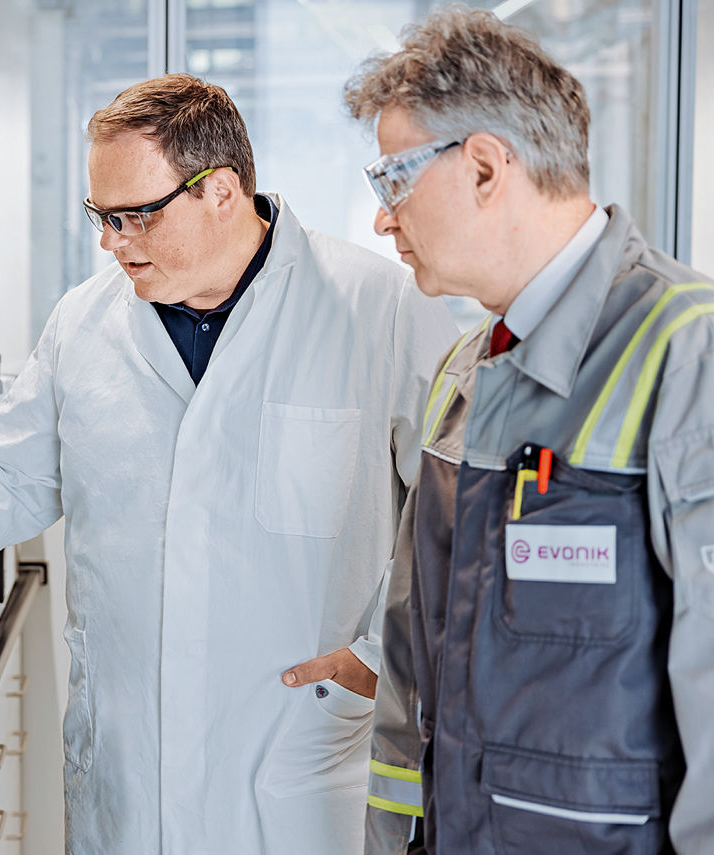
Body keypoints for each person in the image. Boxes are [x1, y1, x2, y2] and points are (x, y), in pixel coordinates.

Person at [0, 73, 457, 854]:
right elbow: (10, 471)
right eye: (101, 216)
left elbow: (454, 514)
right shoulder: (84, 321)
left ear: (222, 192)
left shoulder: (379, 307)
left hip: (294, 753)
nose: (112, 241)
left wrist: (380, 656)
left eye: (135, 215)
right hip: (128, 767)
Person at [344, 8, 714, 854]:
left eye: (392, 180)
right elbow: (413, 675)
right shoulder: (468, 371)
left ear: (482, 167)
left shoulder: (687, 350)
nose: (383, 219)